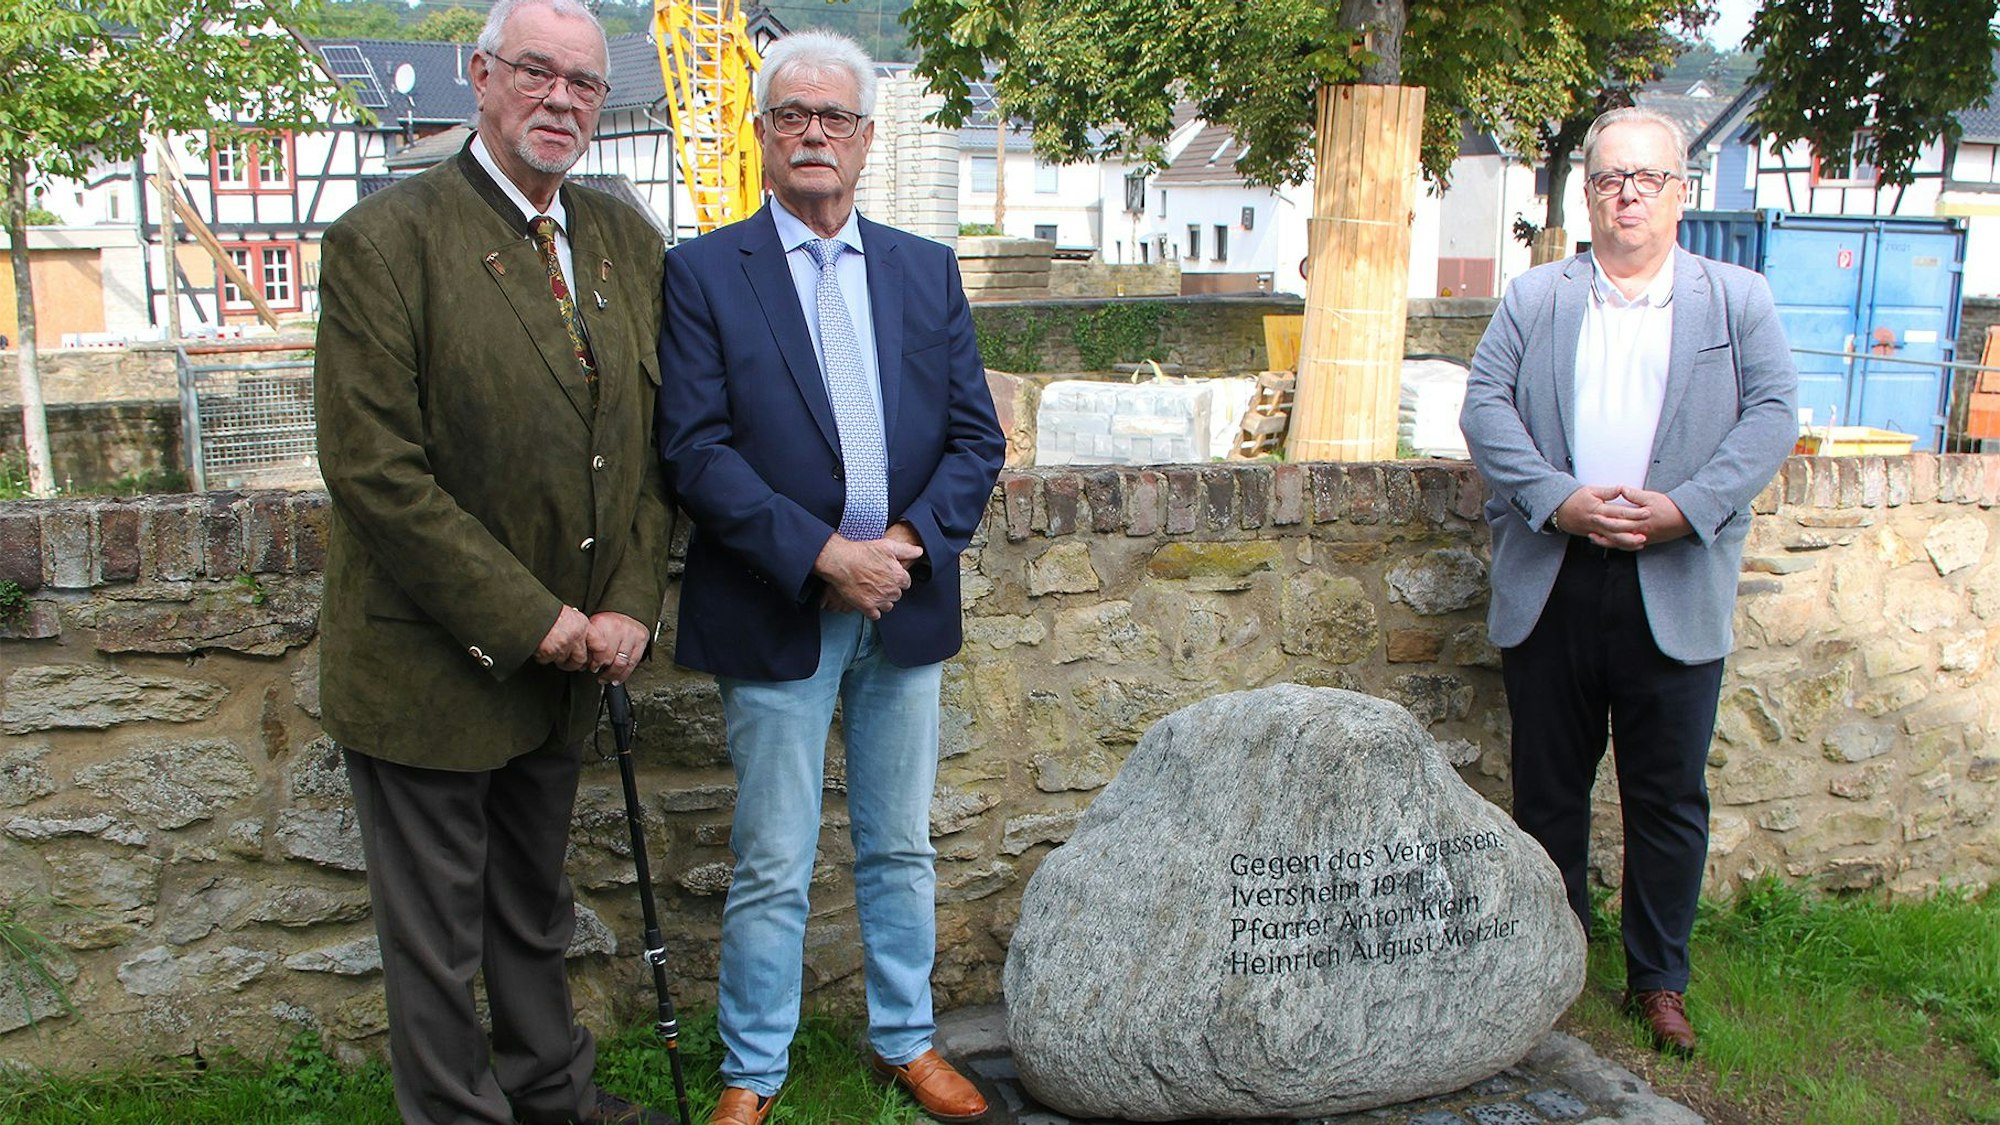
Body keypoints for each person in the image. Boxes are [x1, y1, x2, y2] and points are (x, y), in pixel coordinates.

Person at [312, 0, 673, 1120]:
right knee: (432, 935)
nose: (560, 99)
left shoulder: (623, 239)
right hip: (432, 657)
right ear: (480, 76)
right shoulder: (387, 239)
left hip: (576, 657)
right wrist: (532, 618)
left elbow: (654, 450)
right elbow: (375, 471)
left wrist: (625, 604)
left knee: (530, 904)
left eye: (584, 83)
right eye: (536, 72)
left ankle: (553, 1098)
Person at [655, 29, 1005, 1125]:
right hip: (777, 606)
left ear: (866, 137)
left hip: (901, 601)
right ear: (760, 133)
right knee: (772, 857)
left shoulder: (922, 267)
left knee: (899, 845)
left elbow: (974, 440)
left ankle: (905, 1040)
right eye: (792, 115)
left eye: (836, 117)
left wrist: (900, 548)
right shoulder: (704, 272)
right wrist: (822, 556)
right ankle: (751, 1071)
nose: (815, 133)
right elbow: (694, 451)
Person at [1458, 106, 1797, 1057]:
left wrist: (1687, 507)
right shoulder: (1537, 299)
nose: (1627, 195)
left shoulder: (1738, 301)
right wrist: (1559, 500)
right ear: (1589, 192)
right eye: (1610, 178)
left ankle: (1658, 979)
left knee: (1666, 797)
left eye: (1647, 178)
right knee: (1549, 791)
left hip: (1674, 580)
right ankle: (1553, 971)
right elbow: (1484, 408)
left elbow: (1772, 416)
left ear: (1681, 191)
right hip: (1556, 577)